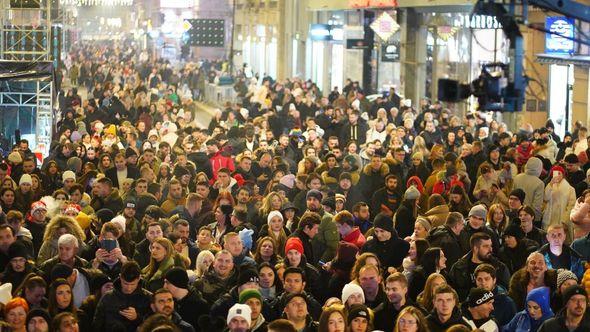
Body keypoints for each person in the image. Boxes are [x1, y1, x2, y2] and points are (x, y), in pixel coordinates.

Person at [448, 232, 511, 301]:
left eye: (491, 246)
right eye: (486, 246)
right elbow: (452, 292)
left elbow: (506, 291)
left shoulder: (499, 267)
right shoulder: (458, 268)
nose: (490, 250)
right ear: (475, 248)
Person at [93, 261, 152, 331]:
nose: (129, 288)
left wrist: (137, 318)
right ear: (120, 277)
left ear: (139, 279)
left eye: (133, 284)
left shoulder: (148, 298)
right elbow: (97, 325)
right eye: (125, 283)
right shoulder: (107, 298)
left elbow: (154, 325)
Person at [163, 267, 209, 331]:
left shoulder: (200, 305)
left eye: (167, 282)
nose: (164, 286)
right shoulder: (170, 302)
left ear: (177, 284)